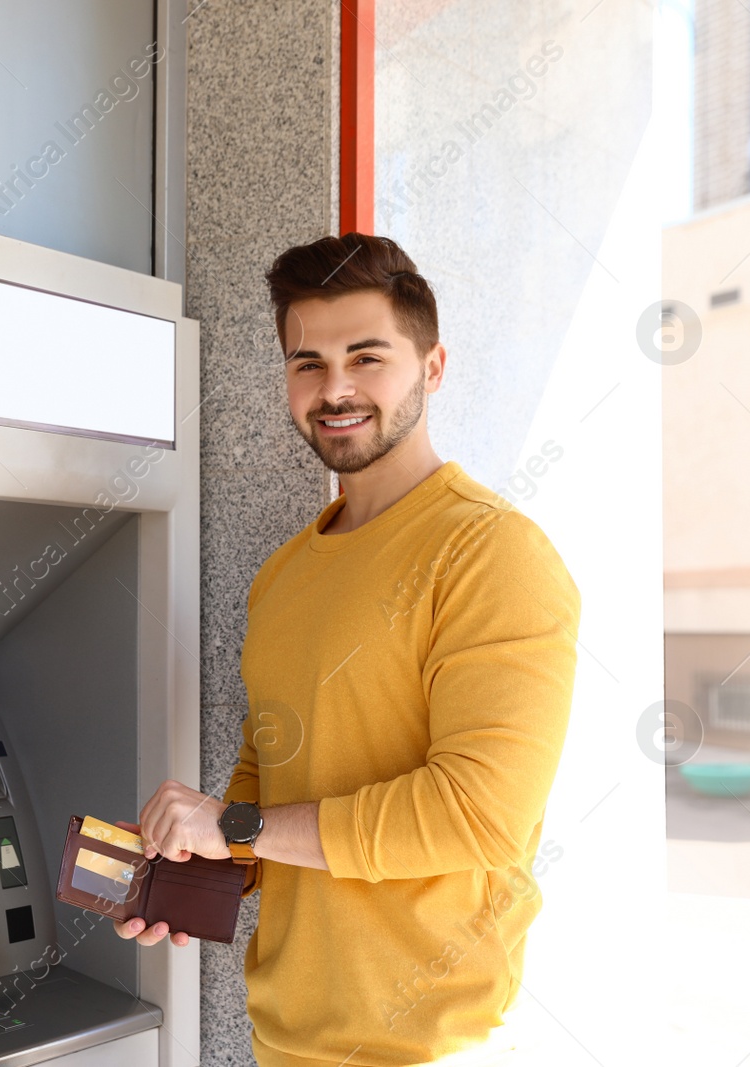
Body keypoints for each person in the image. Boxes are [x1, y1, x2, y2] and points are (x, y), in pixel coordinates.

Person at [119, 233, 581, 1067]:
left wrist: (236, 823)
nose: (335, 389)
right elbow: (271, 782)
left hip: (431, 1044)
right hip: (285, 1038)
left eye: (367, 358)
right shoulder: (283, 576)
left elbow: (479, 814)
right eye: (308, 363)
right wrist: (190, 870)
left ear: (432, 367)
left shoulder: (490, 553)